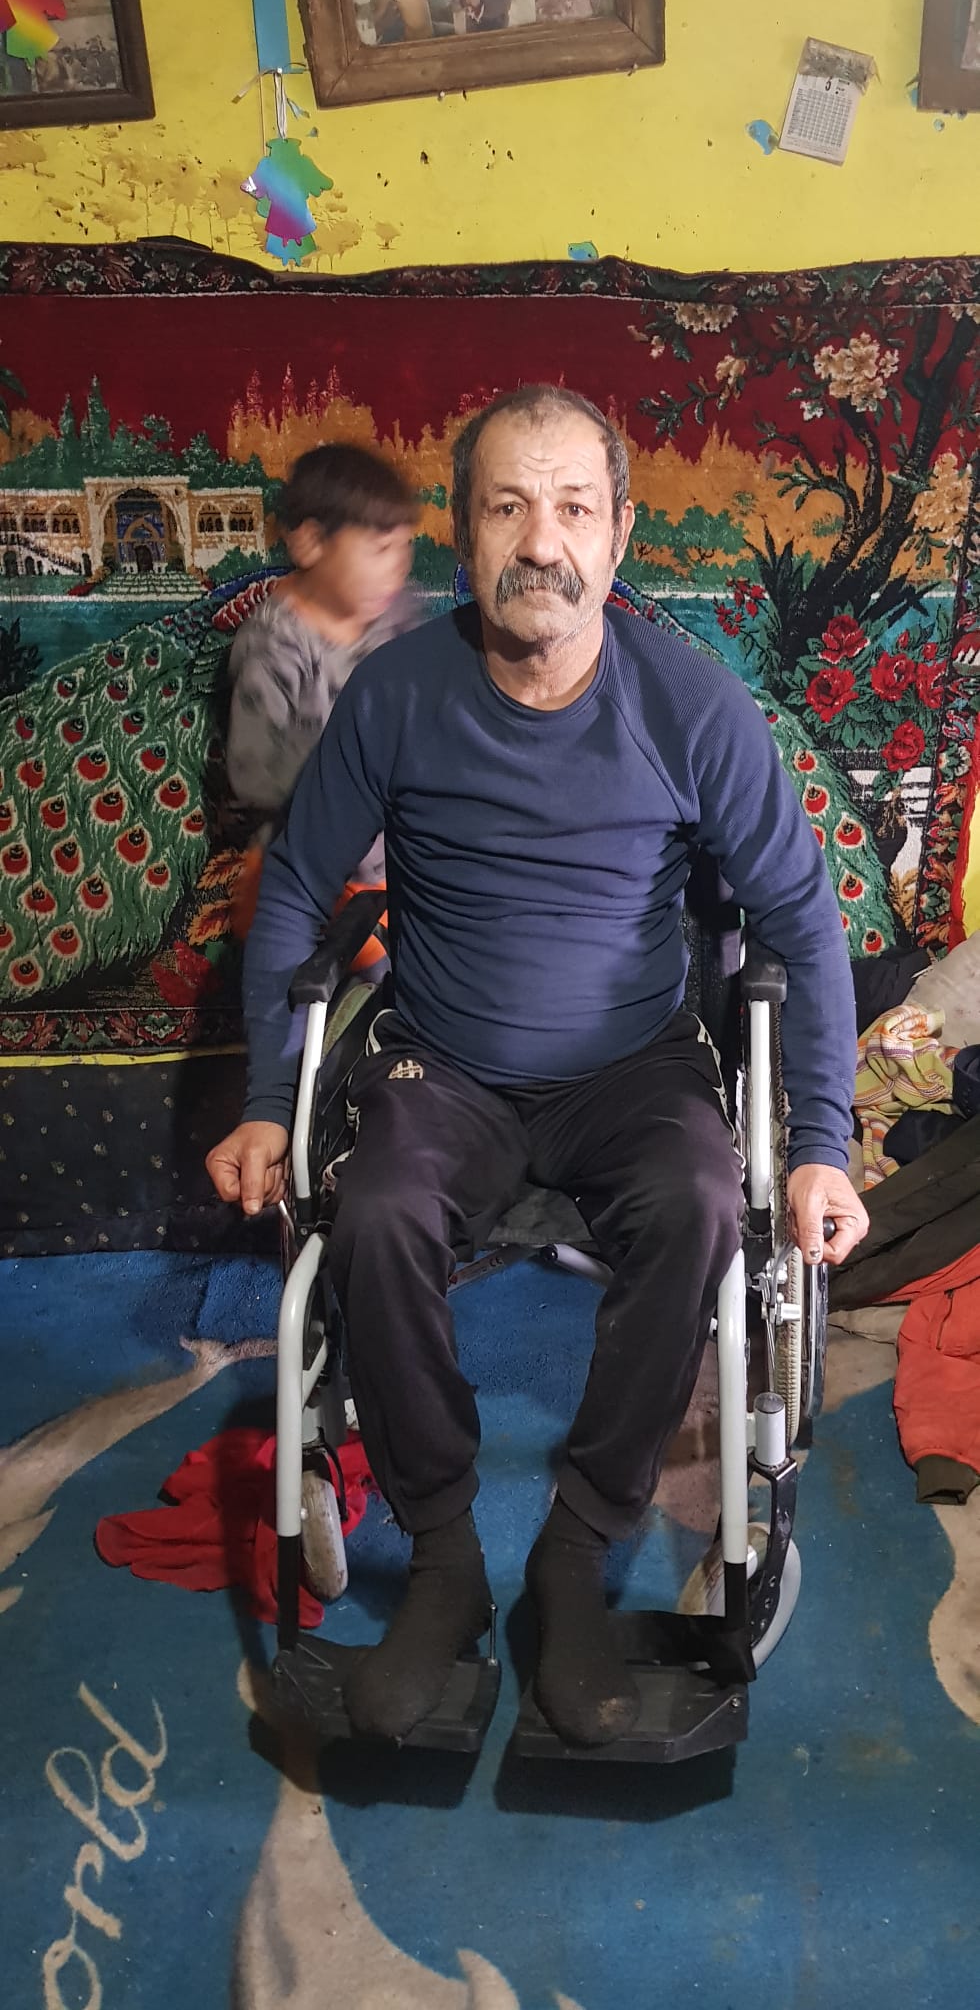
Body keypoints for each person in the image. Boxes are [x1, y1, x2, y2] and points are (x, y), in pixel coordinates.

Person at [207, 385, 869, 1749]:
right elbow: (296, 896)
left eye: (573, 508)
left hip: (633, 1064)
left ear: (619, 533)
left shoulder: (690, 704)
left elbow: (801, 921)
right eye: (507, 507)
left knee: (700, 1204)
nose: (541, 541)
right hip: (443, 1061)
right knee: (375, 1213)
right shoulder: (398, 695)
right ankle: (446, 1561)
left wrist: (820, 1142)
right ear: (463, 533)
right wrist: (270, 1103)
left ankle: (575, 1553)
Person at [225, 443, 419, 947]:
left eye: (405, 547)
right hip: (307, 857)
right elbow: (254, 774)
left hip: (397, 849)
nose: (398, 567)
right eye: (380, 549)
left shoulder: (397, 616)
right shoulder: (274, 642)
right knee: (303, 966)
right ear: (310, 543)